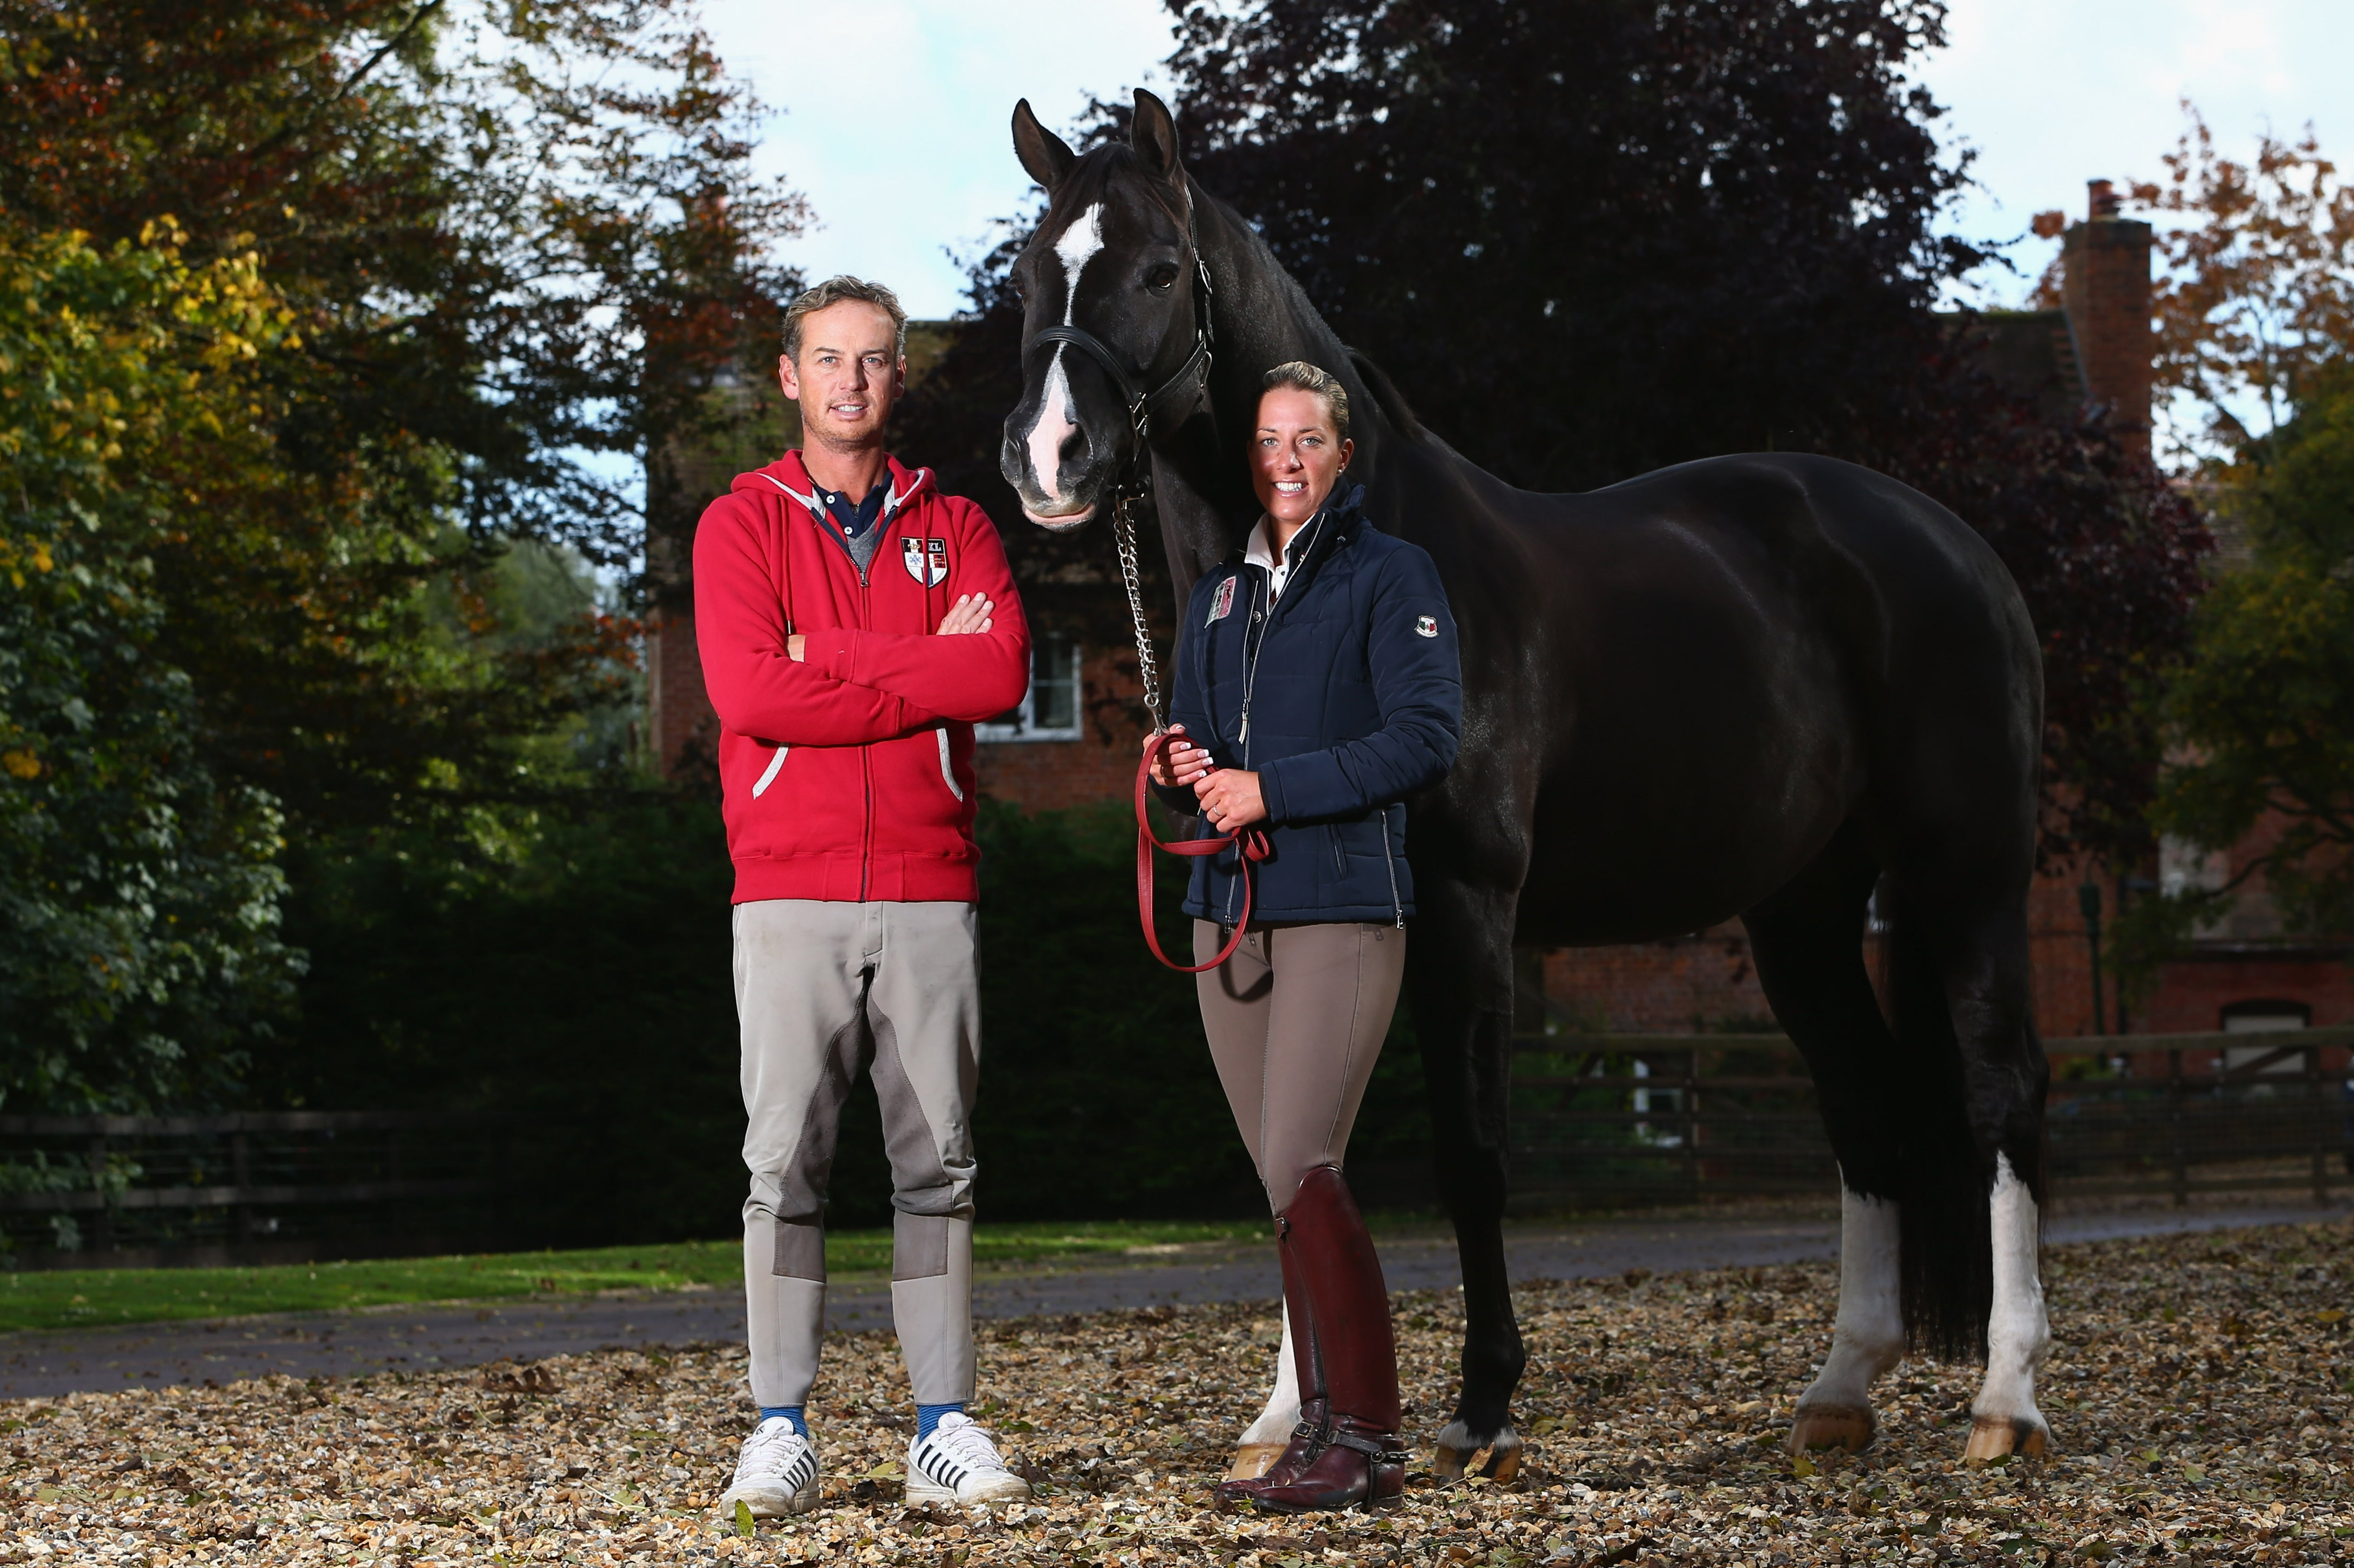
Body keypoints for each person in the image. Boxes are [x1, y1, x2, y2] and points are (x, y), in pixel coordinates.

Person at [695, 276, 1035, 1517]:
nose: (850, 380)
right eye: (828, 358)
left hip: (931, 885)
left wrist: (826, 655)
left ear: (900, 380)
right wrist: (919, 666)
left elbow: (996, 668)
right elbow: (748, 694)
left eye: (875, 360)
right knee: (782, 1166)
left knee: (937, 1164)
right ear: (789, 377)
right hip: (785, 892)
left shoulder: (961, 525)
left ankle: (941, 1421)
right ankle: (779, 1423)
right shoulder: (739, 526)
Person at [1147, 362, 1463, 1513]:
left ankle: (1365, 1438)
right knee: (1282, 1185)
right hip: (1229, 916)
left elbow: (1428, 737)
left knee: (1302, 1159)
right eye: (1271, 439)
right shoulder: (1222, 595)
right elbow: (1197, 750)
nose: (1287, 459)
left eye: (1309, 440)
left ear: (1341, 454)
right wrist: (1183, 772)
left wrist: (1268, 788)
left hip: (1340, 903)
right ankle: (1320, 1432)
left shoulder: (1393, 575)